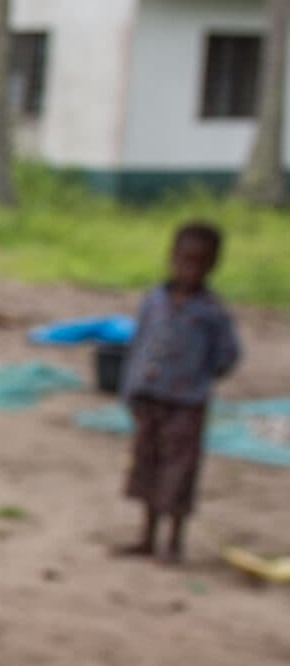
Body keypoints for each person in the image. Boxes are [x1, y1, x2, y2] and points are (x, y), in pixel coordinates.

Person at [118, 221, 241, 564]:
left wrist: (198, 379)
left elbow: (227, 355)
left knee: (179, 470)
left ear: (213, 265)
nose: (190, 269)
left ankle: (174, 542)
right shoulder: (154, 301)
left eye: (200, 262)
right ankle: (147, 535)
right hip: (150, 398)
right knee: (147, 464)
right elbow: (138, 345)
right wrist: (133, 389)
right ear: (172, 258)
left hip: (187, 404)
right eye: (184, 260)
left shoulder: (212, 311)